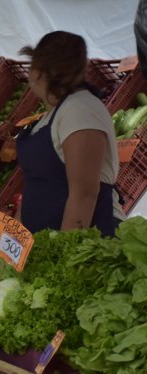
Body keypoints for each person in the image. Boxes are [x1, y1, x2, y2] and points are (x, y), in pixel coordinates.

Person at [15, 31, 122, 236]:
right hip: (47, 246)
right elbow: (36, 183)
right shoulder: (55, 114)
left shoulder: (80, 110)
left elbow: (85, 193)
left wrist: (65, 252)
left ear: (37, 72)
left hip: (89, 247)